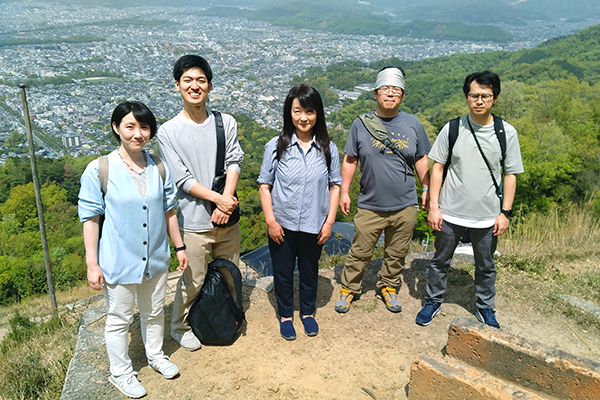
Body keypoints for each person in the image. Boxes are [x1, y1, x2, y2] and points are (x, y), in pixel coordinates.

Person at [79, 101, 188, 399]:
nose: (138, 134)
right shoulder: (100, 169)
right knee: (119, 319)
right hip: (118, 259)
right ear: (117, 128)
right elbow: (90, 219)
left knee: (153, 312)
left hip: (155, 257)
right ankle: (121, 373)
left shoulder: (158, 166)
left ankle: (155, 355)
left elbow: (169, 212)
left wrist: (179, 247)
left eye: (144, 127)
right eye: (130, 126)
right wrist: (92, 263)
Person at [415, 71, 524, 329]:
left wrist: (505, 212)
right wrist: (434, 206)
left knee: (486, 264)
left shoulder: (505, 133)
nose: (479, 101)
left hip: (487, 214)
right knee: (440, 260)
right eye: (474, 95)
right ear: (466, 97)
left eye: (485, 96)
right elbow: (438, 167)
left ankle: (485, 307)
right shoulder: (453, 128)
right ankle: (433, 301)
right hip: (450, 210)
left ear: (494, 98)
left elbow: (510, 174)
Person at [157, 54, 244, 351]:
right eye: (188, 81)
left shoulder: (225, 122)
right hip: (193, 221)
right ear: (177, 86)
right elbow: (181, 179)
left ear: (209, 85)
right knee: (193, 281)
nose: (195, 86)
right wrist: (221, 200)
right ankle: (180, 326)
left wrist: (225, 203)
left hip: (227, 218)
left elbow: (235, 160)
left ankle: (224, 316)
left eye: (201, 80)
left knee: (229, 274)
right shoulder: (168, 131)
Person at [334, 67, 431, 314]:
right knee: (360, 250)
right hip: (370, 203)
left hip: (405, 203)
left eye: (396, 90)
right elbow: (350, 160)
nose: (390, 94)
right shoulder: (361, 124)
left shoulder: (413, 124)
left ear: (402, 95)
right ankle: (349, 288)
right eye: (385, 90)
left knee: (397, 252)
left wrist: (427, 187)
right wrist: (345, 191)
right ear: (375, 94)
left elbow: (421, 158)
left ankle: (389, 286)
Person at [258, 85, 341, 340]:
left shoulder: (328, 148)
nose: (303, 117)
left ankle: (307, 313)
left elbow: (334, 185)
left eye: (309, 111)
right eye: (297, 111)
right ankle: (285, 316)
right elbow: (264, 184)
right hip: (282, 223)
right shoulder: (276, 145)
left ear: (318, 113)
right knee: (282, 273)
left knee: (309, 271)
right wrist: (270, 221)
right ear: (289, 113)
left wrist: (329, 223)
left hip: (314, 222)